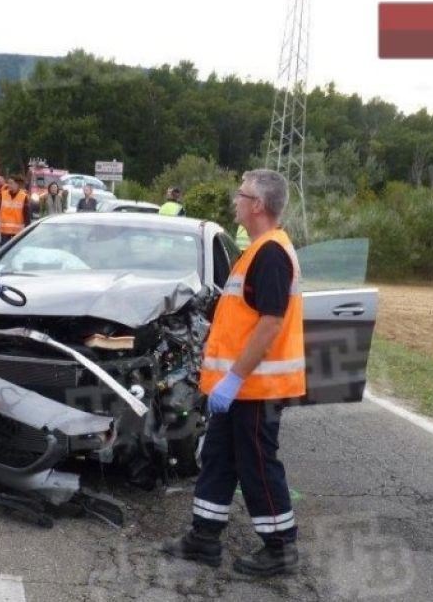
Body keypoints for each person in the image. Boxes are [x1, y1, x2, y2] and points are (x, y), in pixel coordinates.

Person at [162, 169, 306, 577]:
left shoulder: (271, 253)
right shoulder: (258, 249)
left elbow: (270, 322)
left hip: (256, 387)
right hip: (241, 387)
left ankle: (280, 548)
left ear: (258, 205)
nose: (235, 201)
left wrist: (235, 377)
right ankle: (204, 538)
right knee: (219, 459)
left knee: (257, 463)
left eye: (240, 195)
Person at [0, 174, 30, 245]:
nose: (9, 185)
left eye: (11, 183)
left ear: (17, 184)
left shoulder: (23, 196)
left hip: (18, 230)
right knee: (5, 251)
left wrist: (28, 226)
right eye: (8, 183)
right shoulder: (3, 194)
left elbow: (26, 213)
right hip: (4, 229)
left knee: (16, 250)